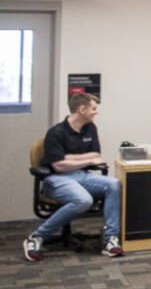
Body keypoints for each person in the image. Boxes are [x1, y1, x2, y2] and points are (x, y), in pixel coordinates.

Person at [23, 92, 123, 261]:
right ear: (82, 109)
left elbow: (96, 155)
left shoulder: (90, 127)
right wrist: (85, 159)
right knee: (83, 200)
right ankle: (36, 237)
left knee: (114, 184)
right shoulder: (56, 132)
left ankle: (110, 240)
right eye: (93, 108)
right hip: (56, 178)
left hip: (81, 175)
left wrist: (71, 159)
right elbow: (59, 165)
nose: (96, 112)